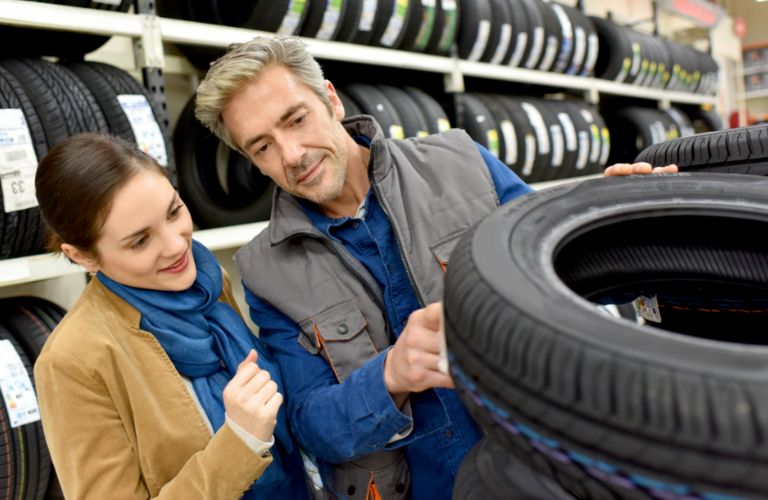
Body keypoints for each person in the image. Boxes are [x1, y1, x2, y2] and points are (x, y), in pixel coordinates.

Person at [194, 35, 677, 499]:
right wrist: (391, 376)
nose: (291, 155)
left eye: (296, 119)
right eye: (262, 147)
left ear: (331, 101)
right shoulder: (265, 270)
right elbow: (311, 424)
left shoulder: (463, 165)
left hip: (546, 468)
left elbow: (565, 273)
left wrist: (621, 228)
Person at [33, 133, 310, 499]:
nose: (178, 245)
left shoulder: (207, 284)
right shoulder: (73, 360)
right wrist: (240, 442)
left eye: (174, 211)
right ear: (83, 257)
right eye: (140, 241)